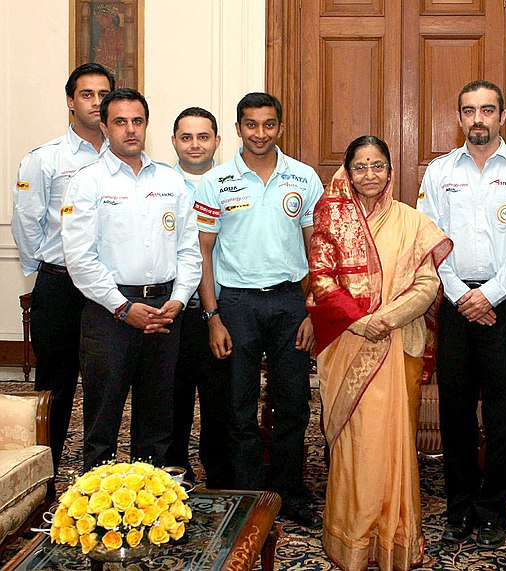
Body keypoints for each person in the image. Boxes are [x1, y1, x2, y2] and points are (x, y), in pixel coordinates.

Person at [307, 136, 452, 570]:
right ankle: (350, 537)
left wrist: (384, 319)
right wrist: (358, 320)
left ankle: (394, 537)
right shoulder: (332, 222)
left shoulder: (412, 222)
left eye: (378, 166)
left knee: (393, 443)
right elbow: (321, 279)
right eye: (360, 166)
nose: (369, 175)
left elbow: (428, 285)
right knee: (354, 445)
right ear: (347, 172)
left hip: (396, 342)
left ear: (391, 171)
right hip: (347, 343)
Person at [417, 80, 506, 548]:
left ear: (502, 116)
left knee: (500, 410)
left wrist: (489, 295)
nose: (478, 119)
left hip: (505, 306)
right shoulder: (438, 171)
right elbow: (429, 238)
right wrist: (457, 293)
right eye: (469, 110)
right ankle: (460, 506)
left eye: (487, 110)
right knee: (455, 412)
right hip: (454, 304)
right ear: (459, 117)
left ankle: (495, 508)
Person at [193, 92, 324, 528]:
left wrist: (313, 310)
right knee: (238, 405)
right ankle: (249, 495)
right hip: (236, 303)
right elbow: (204, 254)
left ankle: (289, 491)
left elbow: (318, 250)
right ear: (238, 129)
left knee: (294, 404)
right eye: (251, 125)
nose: (260, 133)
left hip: (291, 302)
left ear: (280, 128)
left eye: (269, 124)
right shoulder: (215, 181)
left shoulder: (303, 179)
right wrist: (212, 317)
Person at [61, 88, 202, 471]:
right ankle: (97, 514)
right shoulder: (87, 182)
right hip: (111, 312)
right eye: (120, 122)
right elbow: (80, 258)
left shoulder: (171, 182)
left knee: (158, 420)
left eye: (137, 121)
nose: (130, 130)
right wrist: (123, 308)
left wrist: (181, 297)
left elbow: (189, 249)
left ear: (146, 125)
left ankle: (153, 506)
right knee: (102, 421)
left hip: (164, 311)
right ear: (105, 127)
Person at [11, 62, 115, 476]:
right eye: (87, 95)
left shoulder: (124, 157)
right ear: (70, 101)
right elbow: (26, 223)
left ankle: (100, 476)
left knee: (105, 385)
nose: (95, 103)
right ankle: (45, 476)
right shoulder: (45, 158)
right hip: (60, 286)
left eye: (103, 95)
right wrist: (51, 267)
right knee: (55, 386)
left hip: (109, 290)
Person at [165, 107, 231, 488]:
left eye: (203, 137)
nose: (195, 145)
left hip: (220, 309)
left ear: (217, 142)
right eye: (186, 137)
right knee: (172, 397)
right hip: (172, 309)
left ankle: (220, 475)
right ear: (173, 141)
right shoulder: (158, 182)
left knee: (219, 398)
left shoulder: (230, 183)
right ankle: (174, 473)